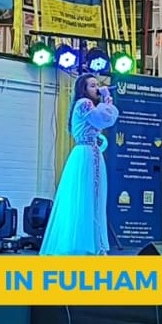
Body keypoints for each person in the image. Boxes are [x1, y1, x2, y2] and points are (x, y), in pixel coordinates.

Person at [40, 73, 119, 256]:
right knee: (90, 197)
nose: (97, 88)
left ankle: (89, 243)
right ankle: (90, 246)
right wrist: (107, 97)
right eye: (93, 85)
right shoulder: (85, 103)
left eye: (97, 85)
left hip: (88, 152)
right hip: (87, 155)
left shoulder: (85, 105)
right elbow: (105, 117)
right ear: (84, 89)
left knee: (88, 199)